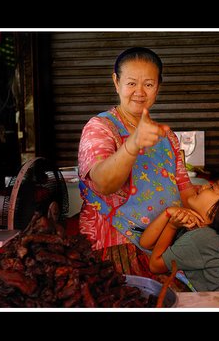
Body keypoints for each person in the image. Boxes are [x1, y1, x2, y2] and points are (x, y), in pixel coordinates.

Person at [77, 47, 199, 290]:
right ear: (116, 81)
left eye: (149, 84)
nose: (139, 93)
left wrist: (211, 221)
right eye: (131, 83)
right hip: (114, 247)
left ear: (159, 86)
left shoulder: (167, 136)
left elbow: (186, 191)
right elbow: (103, 183)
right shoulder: (100, 127)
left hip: (163, 245)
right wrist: (132, 144)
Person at [139, 177, 219, 291]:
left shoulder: (202, 238)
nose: (202, 186)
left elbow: (155, 266)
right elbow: (146, 243)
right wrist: (168, 213)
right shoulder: (197, 227)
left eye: (211, 188)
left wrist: (171, 226)